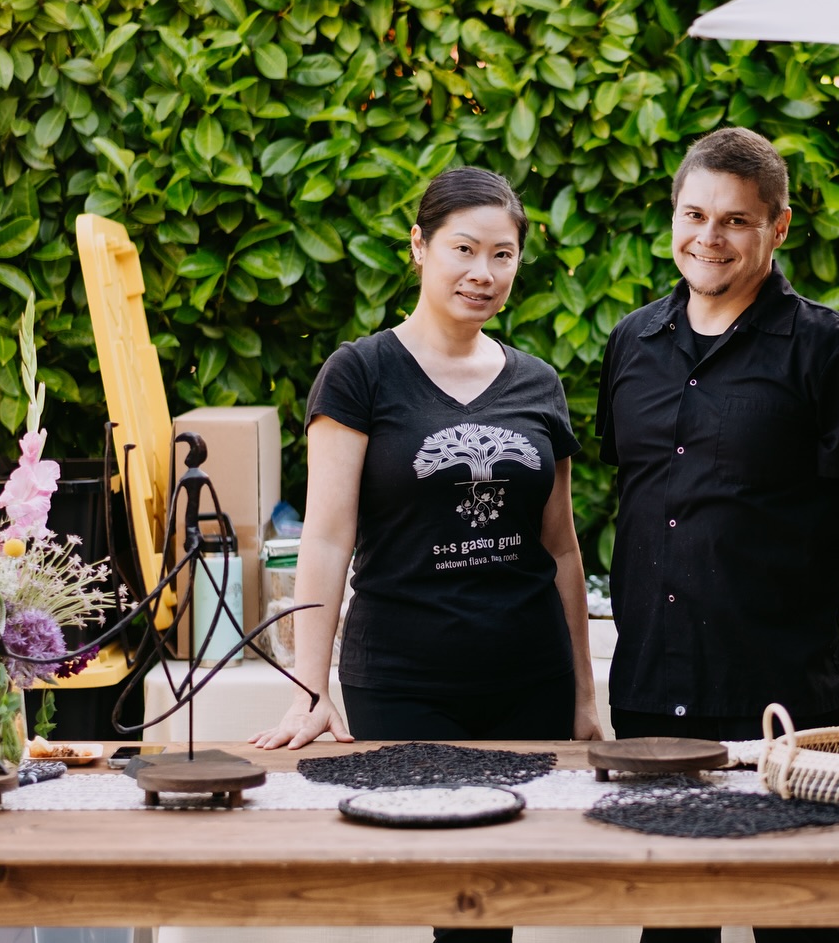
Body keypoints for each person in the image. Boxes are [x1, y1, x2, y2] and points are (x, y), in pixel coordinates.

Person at [596, 127, 839, 943]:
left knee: (800, 919)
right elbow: (641, 496)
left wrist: (824, 602)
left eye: (736, 220)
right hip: (651, 692)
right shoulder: (631, 343)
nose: (709, 237)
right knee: (673, 923)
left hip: (783, 696)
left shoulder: (834, 350)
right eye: (694, 215)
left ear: (778, 228)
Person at [251, 166, 601, 754]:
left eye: (503, 255)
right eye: (464, 249)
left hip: (533, 681)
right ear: (420, 245)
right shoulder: (360, 373)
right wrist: (310, 690)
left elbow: (561, 548)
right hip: (400, 686)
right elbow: (327, 539)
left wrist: (585, 697)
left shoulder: (539, 383)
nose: (483, 273)